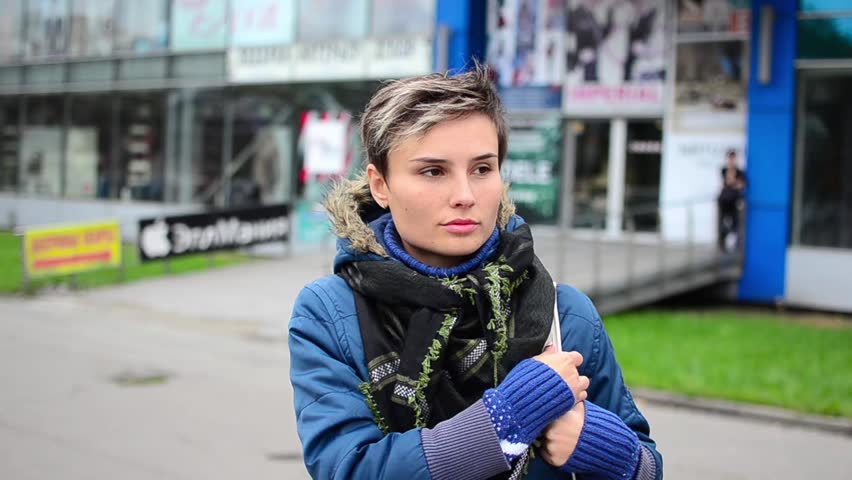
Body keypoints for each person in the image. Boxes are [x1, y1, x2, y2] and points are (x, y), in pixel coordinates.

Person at [288, 65, 662, 480]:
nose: (465, 196)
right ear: (380, 185)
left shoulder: (564, 313)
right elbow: (348, 468)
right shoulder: (330, 312)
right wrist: (506, 421)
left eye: (482, 169)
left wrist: (597, 444)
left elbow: (647, 470)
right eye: (433, 171)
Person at [717, 148, 746, 251]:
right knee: (722, 223)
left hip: (734, 201)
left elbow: (741, 185)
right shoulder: (724, 170)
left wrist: (734, 183)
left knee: (735, 223)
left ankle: (735, 245)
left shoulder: (740, 172)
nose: (732, 160)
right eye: (730, 158)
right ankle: (722, 244)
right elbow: (728, 182)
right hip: (724, 201)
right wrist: (734, 182)